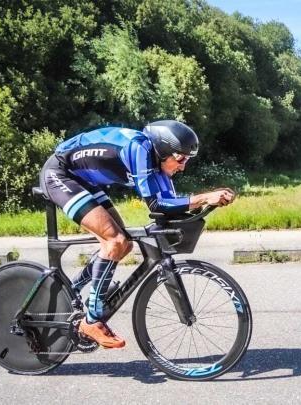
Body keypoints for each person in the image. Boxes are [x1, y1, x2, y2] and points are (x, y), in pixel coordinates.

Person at [39, 120, 235, 348]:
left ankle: (71, 291)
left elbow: (170, 206)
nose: (183, 166)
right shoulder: (139, 149)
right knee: (115, 240)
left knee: (124, 245)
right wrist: (203, 198)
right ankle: (92, 321)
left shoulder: (158, 162)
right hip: (60, 174)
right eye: (181, 158)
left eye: (187, 159)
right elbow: (156, 205)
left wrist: (206, 204)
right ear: (163, 150)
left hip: (85, 181)